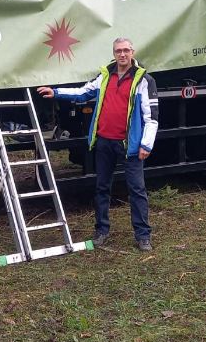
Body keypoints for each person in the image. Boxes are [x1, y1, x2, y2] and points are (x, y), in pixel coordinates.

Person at [38, 38, 159, 251]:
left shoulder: (143, 80)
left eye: (126, 50)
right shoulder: (104, 76)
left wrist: (146, 145)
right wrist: (56, 92)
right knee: (102, 188)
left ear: (132, 52)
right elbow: (83, 92)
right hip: (104, 142)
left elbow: (152, 117)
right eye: (118, 51)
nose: (122, 54)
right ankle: (101, 231)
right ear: (114, 53)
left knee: (137, 190)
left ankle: (143, 236)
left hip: (129, 146)